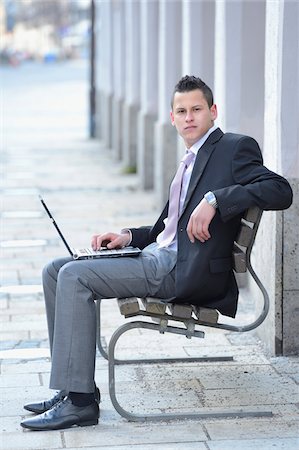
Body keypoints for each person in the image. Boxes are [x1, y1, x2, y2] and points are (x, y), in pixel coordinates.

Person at [21, 75, 293, 431]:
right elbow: (167, 228)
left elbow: (280, 189)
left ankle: (81, 401)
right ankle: (68, 387)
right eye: (182, 111)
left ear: (213, 112)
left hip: (183, 271)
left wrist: (216, 200)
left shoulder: (233, 148)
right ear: (172, 117)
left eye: (197, 109)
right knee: (56, 269)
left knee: (75, 275)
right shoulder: (190, 159)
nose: (189, 117)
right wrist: (127, 236)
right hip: (159, 259)